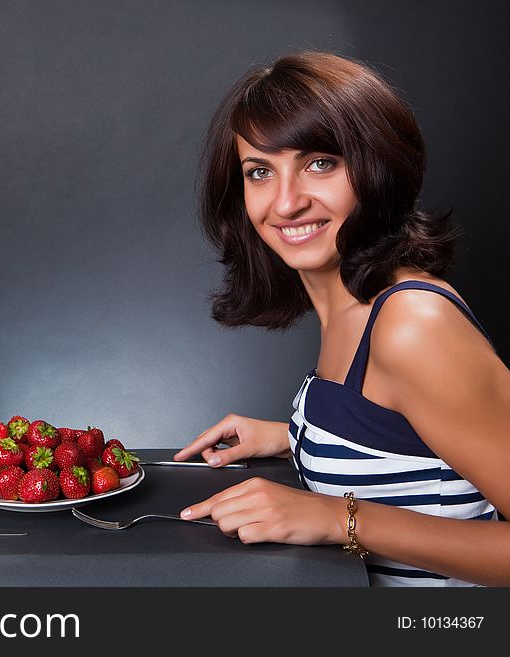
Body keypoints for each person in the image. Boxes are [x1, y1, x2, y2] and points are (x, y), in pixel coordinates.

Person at [174, 51, 510, 586]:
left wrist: (339, 519)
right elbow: (410, 439)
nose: (285, 203)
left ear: (378, 168)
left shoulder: (412, 326)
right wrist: (300, 435)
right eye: (260, 171)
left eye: (319, 163)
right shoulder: (351, 305)